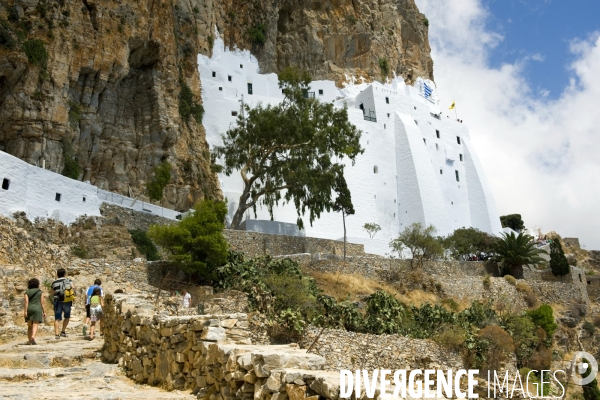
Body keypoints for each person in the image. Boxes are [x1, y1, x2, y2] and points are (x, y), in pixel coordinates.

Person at [51, 268, 76, 339]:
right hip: (67, 300)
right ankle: (63, 331)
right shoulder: (68, 280)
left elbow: (52, 292)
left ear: (57, 274)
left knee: (57, 318)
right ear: (64, 274)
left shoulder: (54, 282)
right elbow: (73, 288)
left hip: (57, 300)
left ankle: (57, 334)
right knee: (67, 317)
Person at [23, 278, 46, 345]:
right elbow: (42, 302)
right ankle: (33, 336)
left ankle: (30, 341)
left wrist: (25, 311)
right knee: (35, 324)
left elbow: (26, 302)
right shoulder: (40, 292)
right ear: (37, 284)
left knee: (30, 326)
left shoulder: (27, 292)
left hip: (29, 308)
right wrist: (44, 311)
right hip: (37, 308)